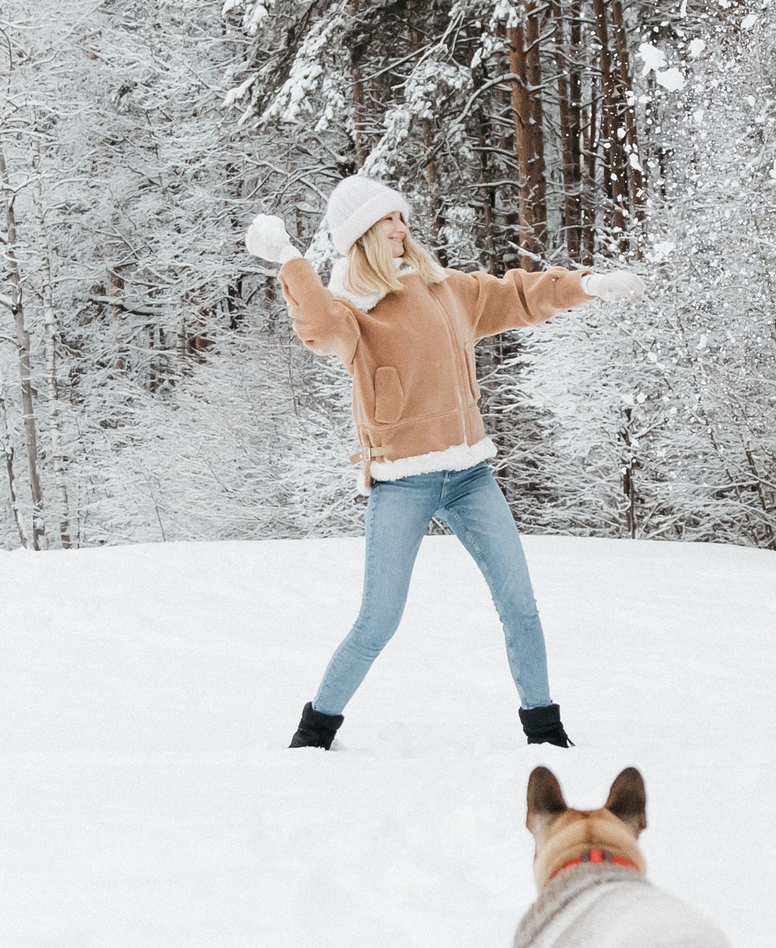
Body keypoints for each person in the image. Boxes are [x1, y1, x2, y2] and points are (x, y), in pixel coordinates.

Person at [244, 175, 647, 751]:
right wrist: (287, 256)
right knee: (378, 621)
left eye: (402, 218)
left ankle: (547, 733)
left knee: (520, 605)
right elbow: (317, 327)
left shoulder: (444, 289)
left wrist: (590, 284)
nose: (401, 229)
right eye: (388, 222)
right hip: (402, 483)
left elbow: (519, 295)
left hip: (469, 475)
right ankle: (312, 735)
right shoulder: (352, 309)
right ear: (361, 236)